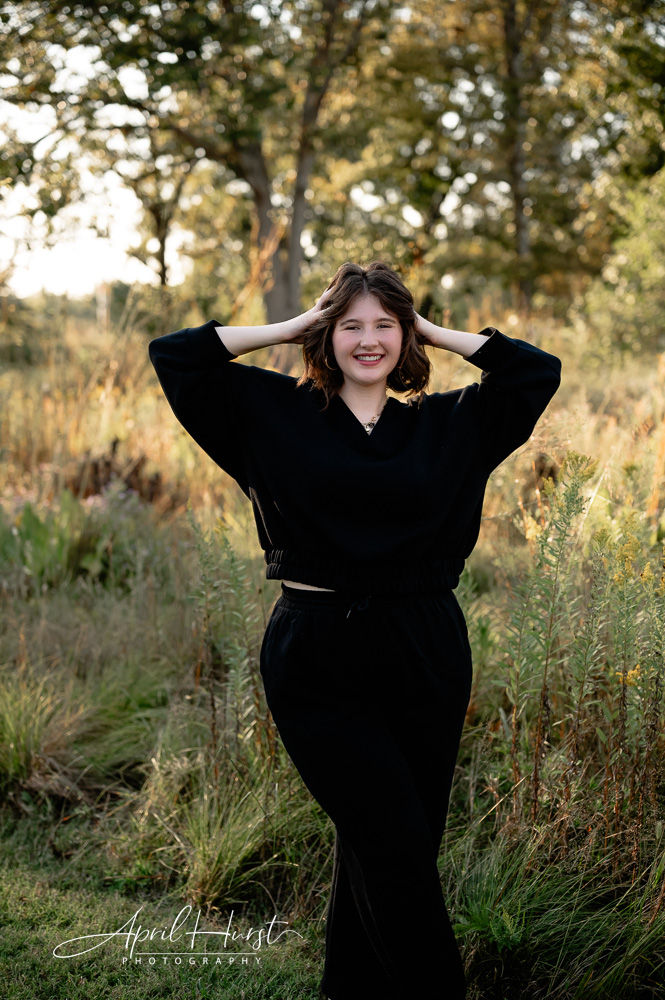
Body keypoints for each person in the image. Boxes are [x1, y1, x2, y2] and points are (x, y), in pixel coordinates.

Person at [148, 260, 562, 1000]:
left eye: (383, 326)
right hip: (316, 655)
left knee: (387, 849)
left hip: (424, 648)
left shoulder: (449, 423)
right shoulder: (271, 412)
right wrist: (288, 327)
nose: (367, 341)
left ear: (404, 337)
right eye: (349, 326)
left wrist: (432, 329)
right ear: (325, 334)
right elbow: (176, 356)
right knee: (394, 848)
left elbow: (534, 372)